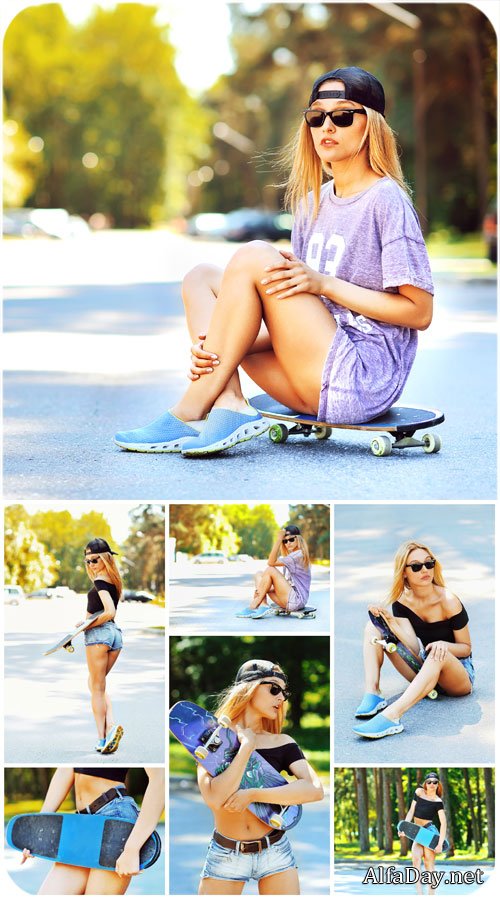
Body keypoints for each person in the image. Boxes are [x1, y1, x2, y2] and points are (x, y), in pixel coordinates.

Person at [114, 66, 433, 458]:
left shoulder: (386, 200)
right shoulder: (311, 204)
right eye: (316, 118)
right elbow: (297, 321)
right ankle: (226, 400)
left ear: (372, 126)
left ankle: (190, 410)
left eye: (343, 116)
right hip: (307, 375)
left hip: (361, 379)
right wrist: (216, 346)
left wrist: (323, 284)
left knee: (253, 256)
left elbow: (419, 312)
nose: (326, 127)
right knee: (200, 279)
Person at [195, 659, 324, 894]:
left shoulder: (283, 743)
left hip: (275, 852)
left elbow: (314, 790)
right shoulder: (212, 739)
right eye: (274, 688)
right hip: (226, 855)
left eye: (284, 692)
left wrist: (252, 794)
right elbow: (215, 798)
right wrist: (246, 748)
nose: (281, 698)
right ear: (249, 688)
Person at [353, 541, 474, 739]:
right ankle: (372, 692)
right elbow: (411, 648)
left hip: (458, 676)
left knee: (437, 653)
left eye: (429, 563)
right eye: (416, 566)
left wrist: (444, 646)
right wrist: (391, 622)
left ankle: (391, 716)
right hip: (425, 670)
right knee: (373, 627)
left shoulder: (449, 600)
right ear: (404, 572)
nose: (425, 570)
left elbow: (466, 648)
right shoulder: (401, 603)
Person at [20, 767, 164, 894]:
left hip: (115, 821)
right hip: (83, 824)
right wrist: (40, 825)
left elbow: (160, 778)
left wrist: (131, 849)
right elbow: (66, 769)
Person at [82, 538, 125, 754]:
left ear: (106, 558)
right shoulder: (113, 580)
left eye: (95, 560)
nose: (91, 565)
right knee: (96, 684)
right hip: (114, 635)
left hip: (100, 635)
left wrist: (86, 625)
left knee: (96, 688)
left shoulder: (100, 580)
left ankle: (102, 738)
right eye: (87, 561)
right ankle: (111, 726)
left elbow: (109, 611)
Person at [398, 773, 448, 895]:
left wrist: (440, 844)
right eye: (429, 782)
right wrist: (405, 826)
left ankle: (431, 895)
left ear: (438, 784)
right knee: (415, 859)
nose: (432, 784)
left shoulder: (437, 801)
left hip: (429, 832)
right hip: (416, 832)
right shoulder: (419, 792)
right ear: (425, 783)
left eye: (435, 782)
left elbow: (443, 823)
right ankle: (420, 895)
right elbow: (411, 811)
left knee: (428, 865)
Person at [249, 526, 312, 613]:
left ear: (298, 539)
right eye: (285, 541)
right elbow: (286, 583)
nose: (288, 543)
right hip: (288, 599)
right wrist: (263, 588)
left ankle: (255, 604)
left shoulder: (298, 555)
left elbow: (271, 562)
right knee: (259, 574)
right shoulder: (291, 556)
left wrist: (279, 539)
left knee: (270, 569)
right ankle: (263, 605)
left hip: (296, 600)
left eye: (291, 539)